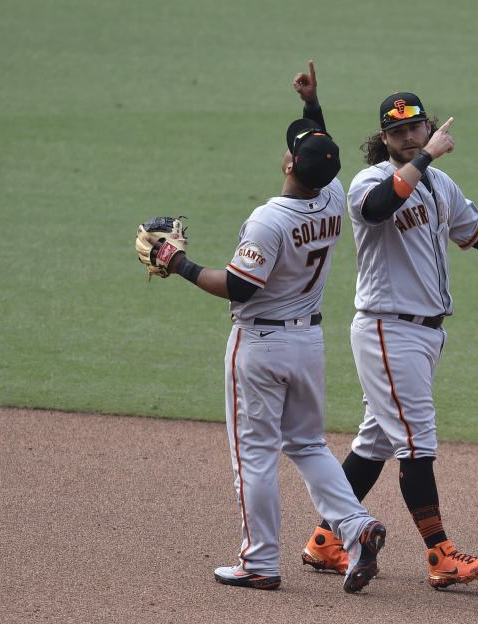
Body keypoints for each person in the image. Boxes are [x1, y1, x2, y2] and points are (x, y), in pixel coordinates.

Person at [141, 62, 385, 594]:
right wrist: (312, 106)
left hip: (261, 345)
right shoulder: (334, 194)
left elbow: (239, 286)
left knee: (253, 456)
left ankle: (260, 562)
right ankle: (357, 525)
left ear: (290, 161)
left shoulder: (268, 220)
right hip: (308, 343)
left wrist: (175, 260)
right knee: (309, 444)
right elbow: (323, 153)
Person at [301, 90, 478, 589]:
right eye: (397, 132)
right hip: (387, 329)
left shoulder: (439, 184)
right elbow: (378, 209)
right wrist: (426, 156)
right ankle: (440, 556)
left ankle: (326, 542)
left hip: (423, 335)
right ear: (384, 138)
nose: (408, 136)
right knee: (417, 442)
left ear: (428, 125)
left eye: (415, 128)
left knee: (375, 440)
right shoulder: (369, 181)